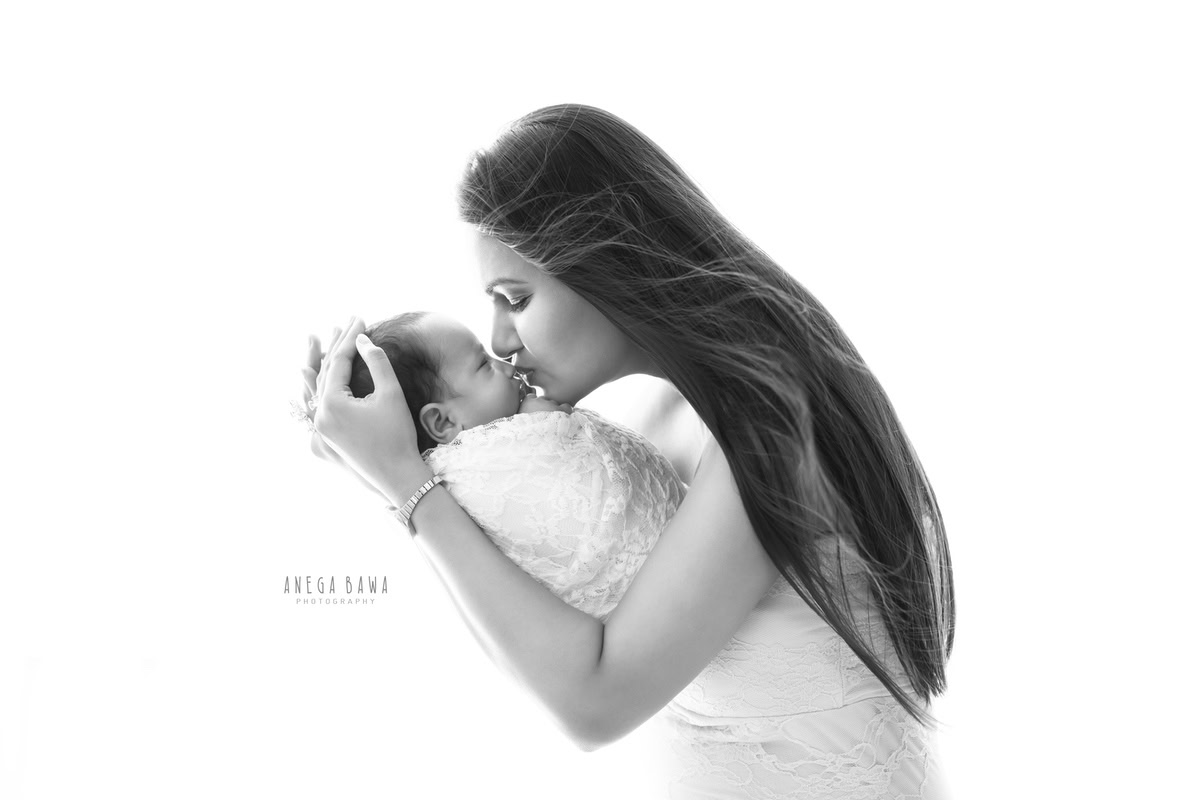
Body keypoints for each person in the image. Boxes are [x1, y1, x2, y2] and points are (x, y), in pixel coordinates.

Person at [301, 104, 955, 798]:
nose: (500, 340)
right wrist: (404, 467)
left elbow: (594, 705)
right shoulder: (654, 421)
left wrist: (406, 484)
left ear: (605, 261)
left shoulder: (772, 434)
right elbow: (534, 651)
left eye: (514, 299)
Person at [339, 309, 686, 621]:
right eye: (484, 365)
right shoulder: (502, 454)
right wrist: (544, 421)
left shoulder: (433, 502)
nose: (508, 366)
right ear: (443, 422)